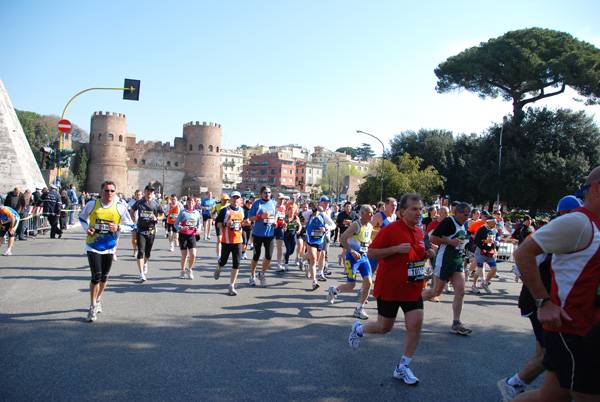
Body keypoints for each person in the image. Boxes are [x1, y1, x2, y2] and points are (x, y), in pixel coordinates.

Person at [512, 167, 600, 402]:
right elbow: (523, 254)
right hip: (572, 329)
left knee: (550, 397)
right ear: (596, 189)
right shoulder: (578, 222)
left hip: (591, 329)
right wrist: (543, 302)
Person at [497, 195, 583, 401]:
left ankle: (515, 385)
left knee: (545, 353)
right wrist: (542, 298)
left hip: (551, 301)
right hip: (538, 301)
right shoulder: (552, 232)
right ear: (564, 213)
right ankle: (512, 385)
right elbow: (521, 263)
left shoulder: (575, 231)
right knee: (547, 352)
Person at [349, 194, 436, 385]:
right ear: (402, 212)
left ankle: (403, 367)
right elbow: (371, 252)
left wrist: (428, 253)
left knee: (415, 324)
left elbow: (417, 254)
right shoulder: (390, 230)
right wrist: (395, 249)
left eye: (420, 209)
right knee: (384, 327)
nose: (418, 213)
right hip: (390, 287)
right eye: (414, 209)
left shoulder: (420, 233)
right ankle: (359, 329)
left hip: (412, 288)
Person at [79, 180, 133, 322]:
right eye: (106, 190)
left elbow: (131, 225)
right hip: (93, 245)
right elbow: (81, 217)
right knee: (96, 275)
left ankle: (99, 298)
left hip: (109, 247)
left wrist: (118, 228)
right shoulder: (92, 205)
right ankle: (92, 305)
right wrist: (87, 229)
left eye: (112, 191)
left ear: (115, 193)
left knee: (104, 277)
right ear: (101, 192)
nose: (109, 193)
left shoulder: (120, 207)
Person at [422, 202, 472, 335]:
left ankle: (456, 323)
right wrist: (450, 242)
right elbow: (432, 237)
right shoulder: (448, 222)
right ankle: (412, 304)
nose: (466, 218)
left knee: (461, 291)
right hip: (443, 261)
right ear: (457, 213)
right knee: (436, 292)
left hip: (457, 261)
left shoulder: (462, 223)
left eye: (468, 215)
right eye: (464, 215)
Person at [329, 204, 374, 319]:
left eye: (373, 212)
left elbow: (367, 240)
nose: (372, 215)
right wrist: (352, 251)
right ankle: (334, 290)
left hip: (363, 258)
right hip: (351, 259)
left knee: (368, 282)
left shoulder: (369, 226)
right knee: (351, 285)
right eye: (370, 213)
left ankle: (360, 308)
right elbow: (342, 238)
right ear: (362, 213)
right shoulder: (355, 225)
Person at [213, 191, 249, 295]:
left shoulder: (242, 211)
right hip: (227, 241)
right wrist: (225, 224)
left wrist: (244, 223)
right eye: (234, 198)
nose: (236, 200)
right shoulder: (225, 210)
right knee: (223, 261)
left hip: (238, 241)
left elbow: (242, 224)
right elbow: (217, 224)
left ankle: (231, 285)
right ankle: (219, 268)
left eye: (238, 198)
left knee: (236, 263)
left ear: (240, 200)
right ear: (230, 199)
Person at [129, 185, 165, 283]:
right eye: (148, 191)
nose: (150, 193)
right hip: (141, 229)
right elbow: (132, 211)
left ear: (153, 193)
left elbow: (162, 215)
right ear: (145, 192)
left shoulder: (156, 204)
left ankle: (145, 263)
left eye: (151, 191)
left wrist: (157, 218)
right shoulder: (139, 203)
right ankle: (141, 273)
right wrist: (133, 217)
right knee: (141, 251)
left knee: (148, 253)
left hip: (151, 230)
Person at [248, 186, 278, 287]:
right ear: (261, 193)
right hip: (258, 233)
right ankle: (252, 275)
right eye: (265, 192)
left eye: (269, 192)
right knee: (256, 256)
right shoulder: (257, 204)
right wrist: (261, 216)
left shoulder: (274, 203)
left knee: (269, 256)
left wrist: (275, 220)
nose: (267, 194)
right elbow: (250, 218)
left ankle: (262, 274)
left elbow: (276, 214)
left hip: (269, 234)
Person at [173, 196, 201, 280]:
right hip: (183, 235)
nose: (190, 203)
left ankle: (189, 269)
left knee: (193, 254)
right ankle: (182, 270)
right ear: (187, 203)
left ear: (194, 203)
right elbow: (176, 224)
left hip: (192, 235)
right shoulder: (183, 212)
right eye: (189, 201)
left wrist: (199, 229)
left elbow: (199, 223)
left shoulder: (197, 213)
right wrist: (182, 228)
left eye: (192, 201)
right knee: (184, 255)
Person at [471, 214, 498, 294]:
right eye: (494, 223)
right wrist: (485, 241)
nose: (495, 224)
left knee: (494, 269)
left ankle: (485, 283)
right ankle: (474, 284)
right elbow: (476, 241)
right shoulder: (482, 229)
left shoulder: (493, 230)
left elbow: (493, 240)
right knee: (479, 269)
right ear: (489, 222)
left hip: (490, 252)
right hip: (481, 251)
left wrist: (494, 249)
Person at [336, 201, 359, 267]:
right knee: (345, 250)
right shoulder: (341, 215)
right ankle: (346, 268)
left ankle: (340, 256)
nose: (348, 208)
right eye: (347, 207)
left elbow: (357, 223)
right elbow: (337, 224)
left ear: (351, 207)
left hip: (352, 235)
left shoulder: (354, 214)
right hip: (343, 235)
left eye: (349, 206)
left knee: (349, 250)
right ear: (344, 207)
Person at [281, 204, 302, 271]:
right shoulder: (285, 217)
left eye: (293, 211)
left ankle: (285, 255)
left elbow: (300, 225)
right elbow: (283, 224)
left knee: (292, 251)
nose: (292, 212)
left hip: (293, 235)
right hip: (286, 235)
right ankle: (286, 264)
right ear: (288, 211)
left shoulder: (296, 218)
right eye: (290, 211)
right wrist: (284, 227)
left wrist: (299, 230)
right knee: (288, 249)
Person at [212, 194, 230, 258]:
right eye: (224, 200)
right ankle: (219, 254)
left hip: (226, 225)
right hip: (219, 223)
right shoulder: (217, 206)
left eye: (227, 200)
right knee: (219, 239)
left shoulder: (229, 206)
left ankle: (223, 251)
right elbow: (212, 213)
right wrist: (213, 217)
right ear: (221, 200)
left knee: (224, 239)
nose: (226, 201)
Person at [274, 193, 287, 272]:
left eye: (283, 199)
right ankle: (266, 258)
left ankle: (279, 264)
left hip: (280, 228)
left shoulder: (284, 207)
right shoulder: (274, 206)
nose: (282, 201)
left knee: (279, 247)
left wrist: (284, 223)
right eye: (280, 199)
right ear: (277, 199)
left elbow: (284, 218)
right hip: (272, 228)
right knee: (269, 247)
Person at [127, 190, 143, 257]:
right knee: (134, 239)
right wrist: (133, 217)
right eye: (137, 194)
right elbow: (129, 210)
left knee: (141, 238)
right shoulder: (132, 202)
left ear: (141, 195)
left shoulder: (144, 202)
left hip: (142, 223)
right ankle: (135, 250)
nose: (138, 196)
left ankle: (141, 250)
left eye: (139, 194)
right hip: (134, 223)